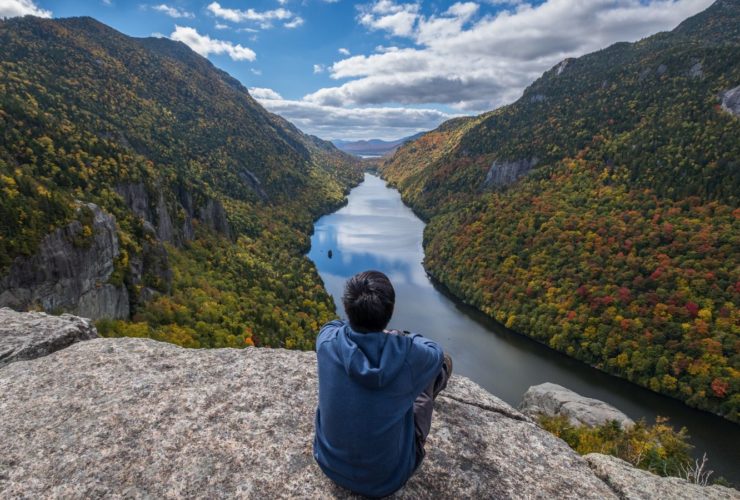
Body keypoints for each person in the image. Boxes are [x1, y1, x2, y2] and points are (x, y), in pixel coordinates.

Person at [313, 270, 453, 498]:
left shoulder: (327, 341)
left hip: (328, 463)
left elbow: (332, 325)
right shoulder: (408, 355)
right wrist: (399, 336)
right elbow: (436, 353)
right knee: (437, 370)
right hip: (387, 479)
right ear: (390, 311)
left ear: (347, 307)